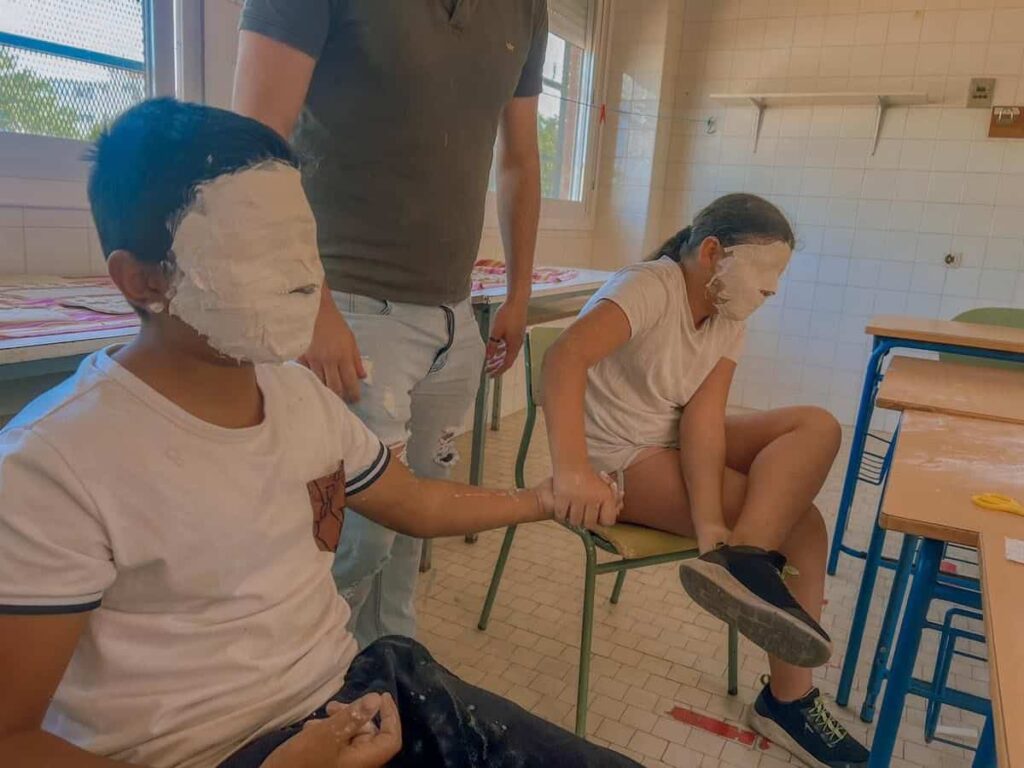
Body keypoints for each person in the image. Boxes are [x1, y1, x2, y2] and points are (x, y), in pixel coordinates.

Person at [0, 100, 640, 768]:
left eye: (304, 242)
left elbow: (414, 502)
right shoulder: (53, 463)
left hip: (350, 701)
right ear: (143, 280)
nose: (306, 276)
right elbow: (10, 741)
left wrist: (543, 498)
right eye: (258, 249)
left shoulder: (299, 397)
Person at [232, 0, 547, 648]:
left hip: (454, 317)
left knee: (409, 532)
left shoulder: (525, 10)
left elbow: (519, 156)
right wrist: (312, 300)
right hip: (347, 309)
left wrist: (517, 295)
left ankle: (391, 667)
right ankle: (296, 681)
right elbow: (256, 137)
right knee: (353, 541)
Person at [540, 194, 870, 768]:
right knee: (804, 528)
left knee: (818, 426)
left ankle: (741, 557)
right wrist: (571, 471)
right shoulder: (650, 286)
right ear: (712, 252)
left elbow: (702, 420)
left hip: (667, 437)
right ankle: (787, 702)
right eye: (766, 273)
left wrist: (713, 522)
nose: (772, 290)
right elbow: (563, 358)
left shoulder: (727, 318)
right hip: (616, 457)